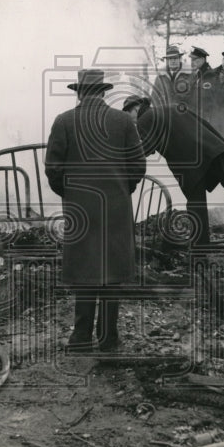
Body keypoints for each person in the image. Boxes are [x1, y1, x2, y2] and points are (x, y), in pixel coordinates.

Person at [45, 70, 146, 353]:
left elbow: (53, 168)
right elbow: (138, 165)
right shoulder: (123, 120)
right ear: (102, 92)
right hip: (115, 207)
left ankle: (80, 336)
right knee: (111, 271)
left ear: (79, 92)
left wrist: (68, 193)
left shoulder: (64, 121)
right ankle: (108, 337)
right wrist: (123, 190)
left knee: (85, 270)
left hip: (80, 207)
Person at [123, 96, 224, 250]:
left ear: (136, 108)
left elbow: (147, 148)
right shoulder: (172, 106)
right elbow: (203, 123)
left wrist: (125, 157)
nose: (131, 120)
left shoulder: (143, 121)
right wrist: (219, 142)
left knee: (196, 203)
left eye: (129, 115)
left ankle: (200, 247)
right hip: (213, 148)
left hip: (191, 165)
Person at [151, 45, 191, 109]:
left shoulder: (189, 75)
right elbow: (155, 98)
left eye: (175, 58)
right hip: (165, 114)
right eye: (170, 59)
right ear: (167, 61)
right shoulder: (160, 77)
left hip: (184, 114)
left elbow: (194, 97)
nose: (173, 61)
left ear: (179, 59)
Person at [187, 46, 216, 120]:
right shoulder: (197, 74)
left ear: (203, 59)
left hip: (205, 117)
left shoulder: (210, 75)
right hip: (195, 115)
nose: (192, 62)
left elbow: (207, 100)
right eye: (191, 60)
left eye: (194, 59)